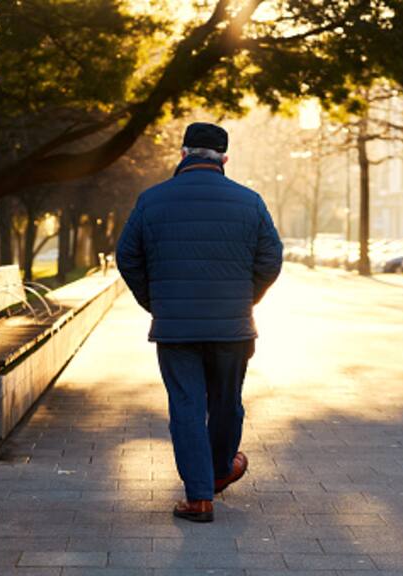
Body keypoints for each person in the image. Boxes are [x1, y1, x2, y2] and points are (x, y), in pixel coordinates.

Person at [116, 122, 283, 523]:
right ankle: (222, 468)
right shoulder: (250, 201)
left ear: (183, 153)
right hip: (233, 327)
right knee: (227, 403)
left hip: (176, 330)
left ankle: (199, 498)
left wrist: (157, 303)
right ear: (224, 158)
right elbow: (270, 260)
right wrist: (247, 299)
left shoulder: (151, 200)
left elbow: (128, 257)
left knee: (187, 406)